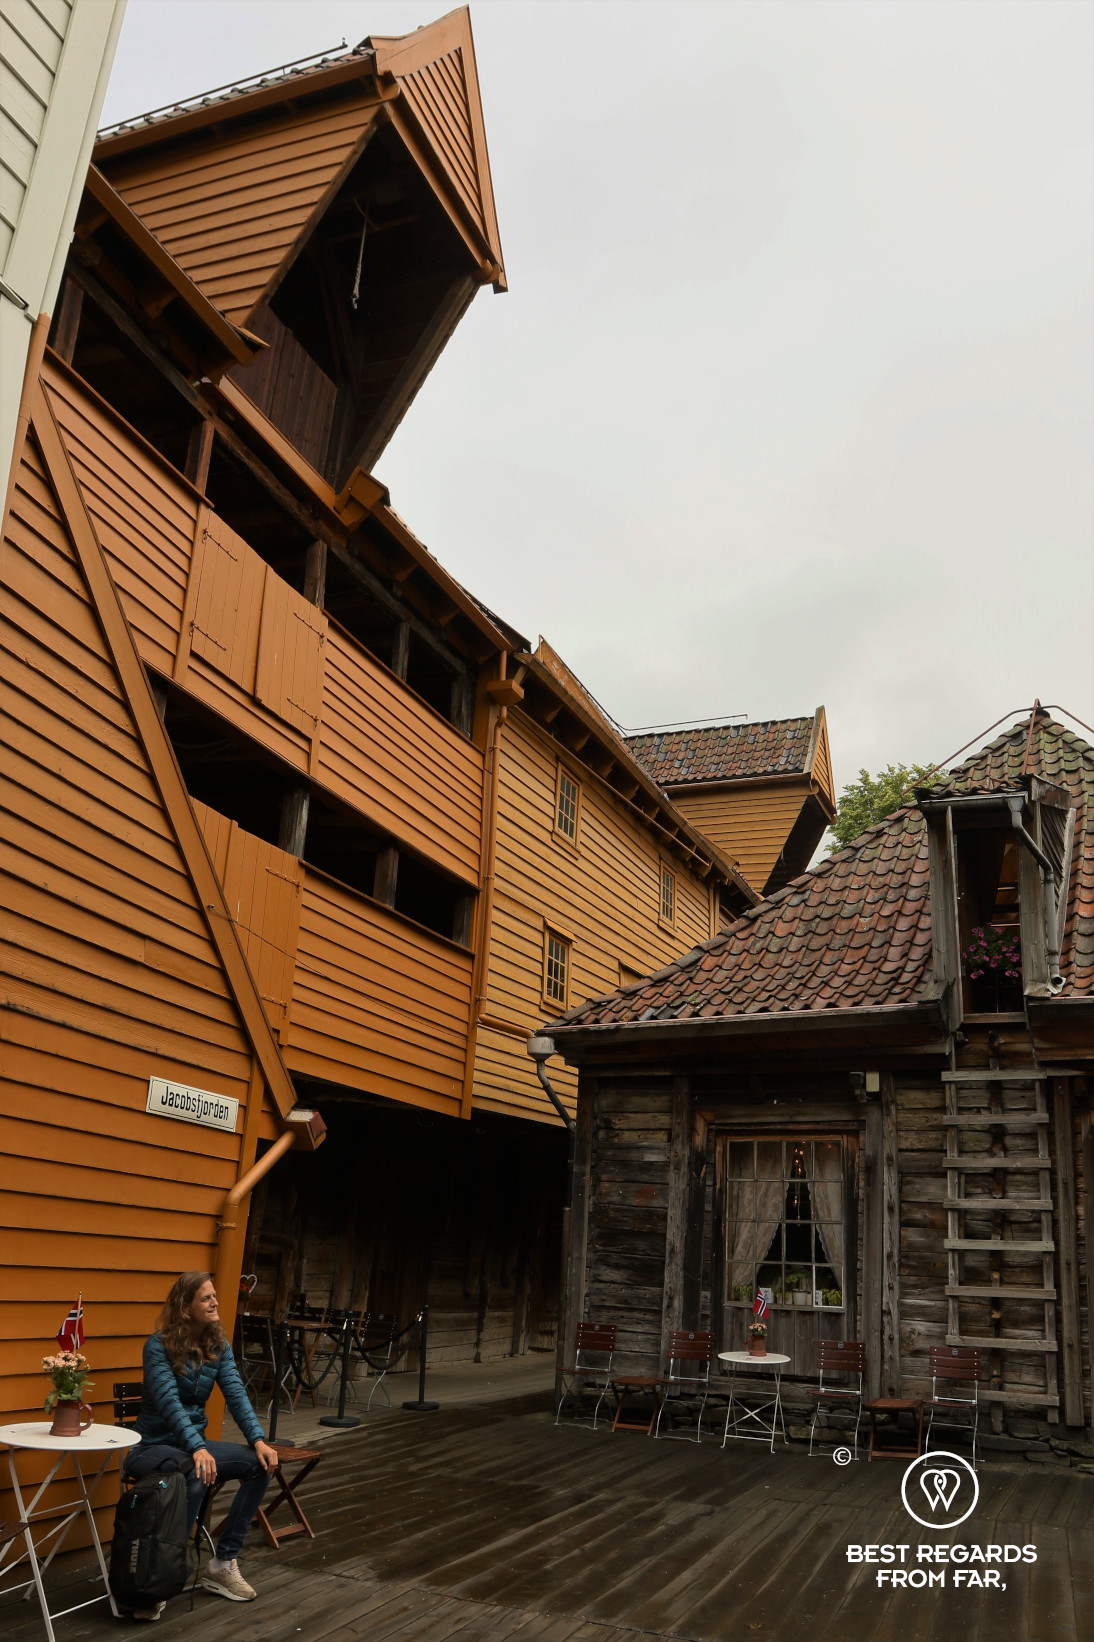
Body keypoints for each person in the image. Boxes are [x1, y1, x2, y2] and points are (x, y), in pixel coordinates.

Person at [132, 1271, 278, 1604]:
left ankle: (222, 1564)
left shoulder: (217, 1345)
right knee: (196, 1472)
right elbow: (169, 1402)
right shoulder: (157, 1346)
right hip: (151, 1446)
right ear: (185, 1307)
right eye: (206, 1298)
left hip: (193, 1448)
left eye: (214, 1296)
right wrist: (197, 1447)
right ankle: (164, 1575)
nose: (215, 1302)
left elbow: (237, 1394)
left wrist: (258, 1440)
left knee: (260, 1465)